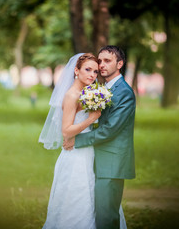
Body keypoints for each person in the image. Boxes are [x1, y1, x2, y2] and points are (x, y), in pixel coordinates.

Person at [39, 53, 126, 229]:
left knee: (93, 197)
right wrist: (91, 118)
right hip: (75, 155)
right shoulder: (71, 95)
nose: (93, 75)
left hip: (89, 152)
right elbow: (66, 131)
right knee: (76, 197)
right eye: (87, 70)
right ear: (76, 71)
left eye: (95, 71)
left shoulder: (87, 93)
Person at [63, 45, 136, 229]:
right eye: (100, 60)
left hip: (111, 163)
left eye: (107, 61)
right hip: (95, 158)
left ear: (120, 64)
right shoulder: (100, 88)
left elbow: (110, 130)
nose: (101, 65)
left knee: (106, 217)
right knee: (94, 214)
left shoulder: (124, 93)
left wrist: (77, 140)